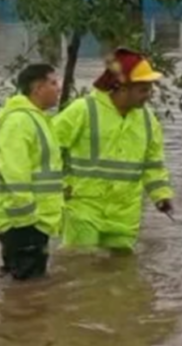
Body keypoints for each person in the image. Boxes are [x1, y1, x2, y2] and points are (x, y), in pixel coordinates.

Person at [52, 48, 175, 254]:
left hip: (125, 213)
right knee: (80, 267)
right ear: (122, 87)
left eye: (149, 89)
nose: (149, 95)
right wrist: (60, 184)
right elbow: (47, 147)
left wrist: (161, 195)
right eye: (143, 90)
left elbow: (153, 164)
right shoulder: (83, 110)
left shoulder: (148, 120)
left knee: (123, 271)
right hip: (84, 208)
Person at [0, 63, 64, 280]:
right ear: (37, 88)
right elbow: (15, 172)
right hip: (24, 222)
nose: (58, 88)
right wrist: (26, 219)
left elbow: (41, 168)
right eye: (53, 83)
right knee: (28, 290)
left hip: (34, 221)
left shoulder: (37, 119)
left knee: (25, 287)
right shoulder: (20, 121)